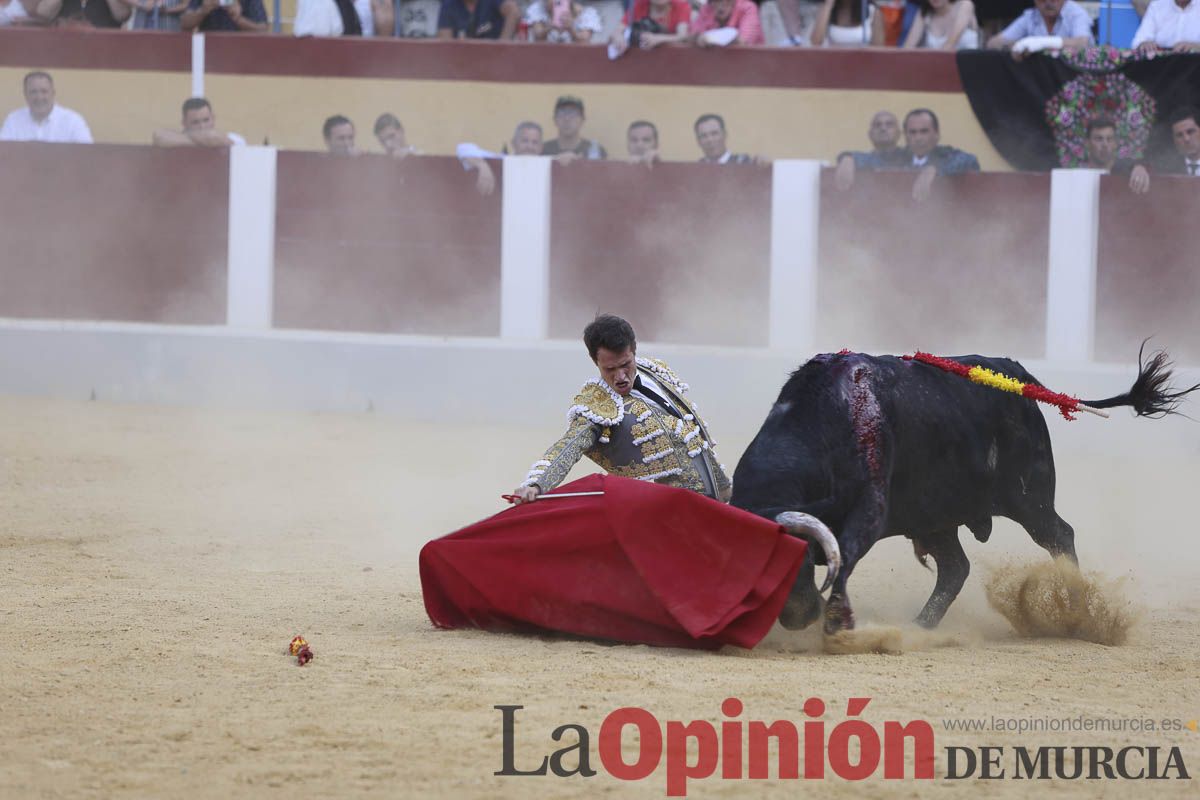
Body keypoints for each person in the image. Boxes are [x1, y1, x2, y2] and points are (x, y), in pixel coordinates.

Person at [511, 314, 732, 504]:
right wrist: (536, 484)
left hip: (708, 507)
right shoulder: (596, 406)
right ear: (595, 362)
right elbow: (569, 446)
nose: (620, 377)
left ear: (634, 352)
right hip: (663, 519)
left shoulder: (655, 373)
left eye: (626, 364)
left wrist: (724, 490)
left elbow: (693, 441)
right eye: (610, 369)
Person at [0, 71, 92, 144]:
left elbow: (86, 154)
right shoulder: (13, 120)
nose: (39, 97)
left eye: (44, 91)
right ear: (25, 94)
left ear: (53, 93)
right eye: (33, 92)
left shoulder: (73, 121)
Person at [833, 110, 909, 190]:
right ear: (870, 134)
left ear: (899, 133)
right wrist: (847, 158)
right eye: (877, 125)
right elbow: (853, 156)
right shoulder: (862, 160)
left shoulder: (910, 157)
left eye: (889, 125)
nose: (883, 128)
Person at [985, 0, 1093, 55]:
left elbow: (1082, 43)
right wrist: (1019, 46)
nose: (1048, 2)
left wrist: (1040, 43)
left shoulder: (1077, 13)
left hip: (1073, 78)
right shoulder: (1030, 16)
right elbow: (993, 44)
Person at [1080, 117, 1150, 193]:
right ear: (1087, 143)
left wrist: (1140, 169)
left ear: (1115, 143)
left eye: (1109, 139)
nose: (1105, 144)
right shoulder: (1078, 176)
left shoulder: (1128, 172)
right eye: (1099, 139)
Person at [153, 97, 245, 148]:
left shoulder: (236, 139)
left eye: (206, 120)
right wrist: (201, 142)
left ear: (213, 118)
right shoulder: (182, 137)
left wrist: (187, 138)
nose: (202, 126)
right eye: (195, 122)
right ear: (184, 123)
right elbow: (159, 136)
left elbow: (212, 137)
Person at [610, 0, 692, 55]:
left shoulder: (681, 5)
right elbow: (617, 30)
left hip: (674, 58)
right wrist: (618, 37)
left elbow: (683, 36)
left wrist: (659, 39)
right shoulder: (639, 4)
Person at [542, 96, 607, 161]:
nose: (567, 119)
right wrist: (553, 160)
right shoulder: (543, 150)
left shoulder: (596, 152)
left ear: (582, 120)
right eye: (562, 113)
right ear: (554, 119)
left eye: (573, 113)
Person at [902, 0, 980, 49]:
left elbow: (951, 43)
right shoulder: (924, 12)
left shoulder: (964, 4)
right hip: (938, 68)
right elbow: (908, 47)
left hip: (968, 68)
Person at [1132, 0, 1200, 53]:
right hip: (1163, 65)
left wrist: (1196, 47)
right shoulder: (1157, 6)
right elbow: (1138, 42)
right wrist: (1145, 44)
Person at [811, 0, 885, 46]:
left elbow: (878, 48)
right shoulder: (828, 10)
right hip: (834, 65)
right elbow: (816, 42)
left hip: (863, 65)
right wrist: (828, 5)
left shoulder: (873, 11)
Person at [523, 0, 602, 42]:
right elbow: (537, 37)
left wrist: (571, 30)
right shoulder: (538, 10)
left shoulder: (587, 13)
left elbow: (584, 40)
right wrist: (549, 27)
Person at [692, 0, 764, 45]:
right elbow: (692, 36)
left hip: (748, 63)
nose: (722, 4)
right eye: (716, 0)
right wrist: (697, 37)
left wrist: (710, 38)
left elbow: (744, 41)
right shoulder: (707, 8)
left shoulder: (748, 8)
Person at [436, 0, 518, 38]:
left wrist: (503, 44)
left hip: (496, 58)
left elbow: (513, 11)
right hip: (462, 61)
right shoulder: (449, 5)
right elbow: (445, 41)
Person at [1157, 106, 1200, 175]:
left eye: (1190, 132)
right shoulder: (1166, 169)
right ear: (1174, 140)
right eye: (1179, 135)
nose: (1186, 139)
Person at [181, 0, 269, 31]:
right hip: (209, 53)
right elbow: (184, 23)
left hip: (242, 53)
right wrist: (202, 11)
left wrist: (238, 19)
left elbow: (262, 29)